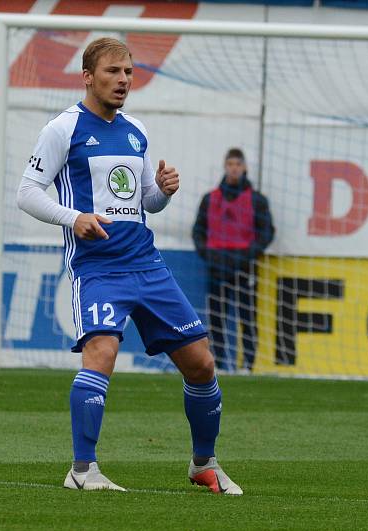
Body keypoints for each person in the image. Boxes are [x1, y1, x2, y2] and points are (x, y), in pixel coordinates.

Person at [16, 37, 242, 494]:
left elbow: (143, 203)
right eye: (113, 72)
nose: (123, 81)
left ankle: (204, 464)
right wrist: (73, 217)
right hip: (98, 269)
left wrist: (162, 190)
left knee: (201, 364)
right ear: (87, 77)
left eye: (129, 73)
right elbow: (27, 193)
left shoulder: (135, 130)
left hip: (147, 265)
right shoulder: (63, 129)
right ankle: (83, 471)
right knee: (102, 353)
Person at [192, 148, 275, 372]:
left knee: (247, 317)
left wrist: (248, 254)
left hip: (244, 266)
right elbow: (198, 231)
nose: (234, 168)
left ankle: (248, 365)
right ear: (225, 166)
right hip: (217, 265)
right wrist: (207, 253)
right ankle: (218, 363)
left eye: (238, 164)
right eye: (230, 164)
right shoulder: (210, 199)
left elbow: (267, 232)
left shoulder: (257, 200)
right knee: (217, 317)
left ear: (245, 167)